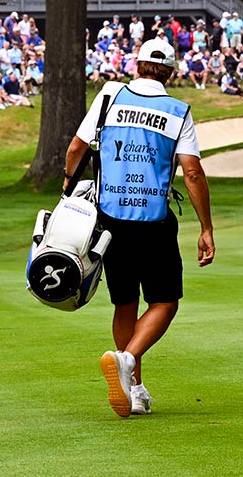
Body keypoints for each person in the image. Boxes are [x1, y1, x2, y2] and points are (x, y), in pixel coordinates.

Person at [66, 38, 215, 418]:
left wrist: (68, 186)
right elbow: (193, 172)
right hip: (153, 221)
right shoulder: (177, 111)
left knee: (125, 303)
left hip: (110, 221)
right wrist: (206, 228)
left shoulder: (109, 97)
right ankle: (129, 360)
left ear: (137, 64)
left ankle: (134, 391)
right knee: (164, 301)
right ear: (170, 71)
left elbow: (75, 150)